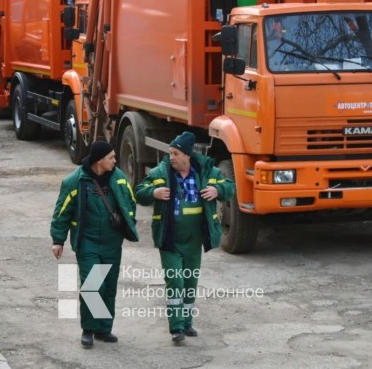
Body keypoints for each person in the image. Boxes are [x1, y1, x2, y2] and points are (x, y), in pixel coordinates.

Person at [134, 131, 235, 342]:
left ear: (187, 155)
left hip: (194, 240)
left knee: (190, 281)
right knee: (175, 281)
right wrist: (153, 193)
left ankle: (188, 323)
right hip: (170, 237)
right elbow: (139, 191)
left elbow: (230, 187)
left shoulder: (207, 172)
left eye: (176, 153)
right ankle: (176, 327)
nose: (171, 157)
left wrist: (217, 190)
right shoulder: (161, 172)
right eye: (170, 153)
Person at [50, 141, 139, 348]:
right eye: (112, 157)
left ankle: (103, 329)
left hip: (111, 242)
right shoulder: (75, 181)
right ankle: (88, 329)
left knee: (108, 286)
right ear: (100, 160)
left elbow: (130, 203)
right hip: (87, 242)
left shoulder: (118, 178)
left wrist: (128, 223)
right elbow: (62, 211)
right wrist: (58, 240)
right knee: (92, 285)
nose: (115, 161)